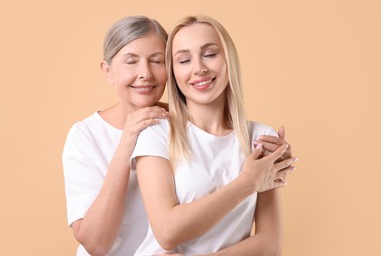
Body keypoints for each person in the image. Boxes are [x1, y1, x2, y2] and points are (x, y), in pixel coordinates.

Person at [131, 15, 297, 255]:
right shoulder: (156, 134)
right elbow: (167, 232)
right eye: (184, 60)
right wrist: (248, 182)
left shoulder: (260, 138)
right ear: (173, 72)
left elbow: (270, 245)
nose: (199, 68)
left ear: (228, 60)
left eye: (210, 54)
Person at [62, 16, 169, 255]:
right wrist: (127, 142)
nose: (145, 73)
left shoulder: (188, 124)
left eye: (157, 60)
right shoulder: (85, 135)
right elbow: (96, 244)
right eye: (131, 61)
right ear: (108, 71)